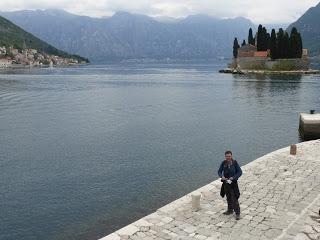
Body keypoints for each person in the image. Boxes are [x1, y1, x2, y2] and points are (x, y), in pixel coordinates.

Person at [218, 150, 242, 220]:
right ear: (225, 157)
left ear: (231, 156)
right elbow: (219, 171)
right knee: (228, 197)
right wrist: (221, 176)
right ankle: (230, 210)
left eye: (229, 156)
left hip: (233, 184)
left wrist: (233, 177)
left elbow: (240, 172)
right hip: (226, 184)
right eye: (227, 156)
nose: (228, 157)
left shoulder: (235, 163)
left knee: (234, 198)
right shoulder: (223, 163)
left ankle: (237, 213)